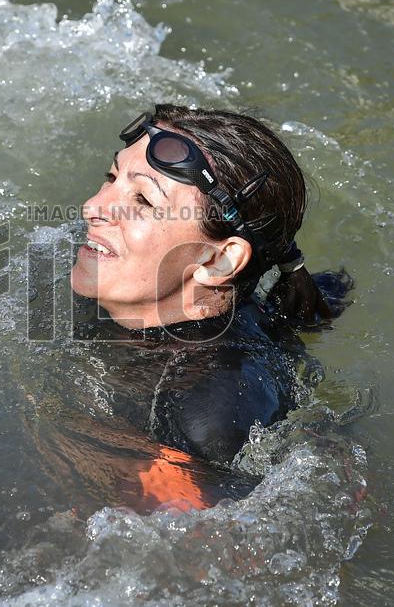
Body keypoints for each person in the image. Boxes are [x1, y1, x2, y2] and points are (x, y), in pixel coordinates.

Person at [61, 104, 352, 511]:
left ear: (218, 261)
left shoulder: (203, 419)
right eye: (111, 177)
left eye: (143, 201)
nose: (92, 207)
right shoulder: (103, 277)